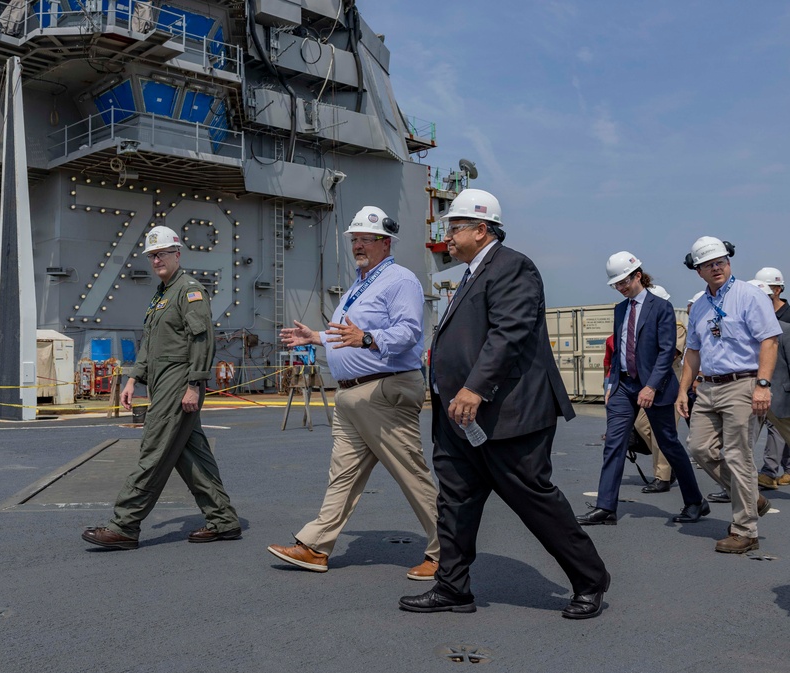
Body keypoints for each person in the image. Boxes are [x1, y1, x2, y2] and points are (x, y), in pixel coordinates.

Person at [399, 189, 609, 620]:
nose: (448, 238)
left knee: (533, 499)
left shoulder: (513, 267)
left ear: (482, 230)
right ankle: (453, 587)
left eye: (454, 229)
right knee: (455, 500)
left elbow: (509, 333)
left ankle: (590, 579)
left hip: (506, 413)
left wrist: (474, 387)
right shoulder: (471, 274)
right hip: (459, 418)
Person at [267, 206, 440, 581]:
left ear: (385, 242)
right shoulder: (359, 284)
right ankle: (315, 547)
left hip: (383, 391)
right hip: (351, 396)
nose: (358, 245)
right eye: (355, 239)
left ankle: (448, 551)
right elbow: (347, 333)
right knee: (341, 476)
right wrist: (316, 337)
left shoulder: (399, 280)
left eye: (366, 238)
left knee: (412, 474)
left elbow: (409, 331)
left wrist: (367, 337)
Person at [82, 226, 241, 549]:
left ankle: (125, 525)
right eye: (152, 256)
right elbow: (150, 344)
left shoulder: (189, 291)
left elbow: (202, 339)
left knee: (154, 450)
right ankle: (224, 520)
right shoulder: (162, 294)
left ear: (177, 254)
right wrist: (132, 379)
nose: (157, 260)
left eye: (162, 254)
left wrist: (195, 384)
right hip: (161, 381)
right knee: (190, 453)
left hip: (179, 381)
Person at [577, 257, 707, 526]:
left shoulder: (661, 308)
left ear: (637, 275)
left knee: (669, 444)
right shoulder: (619, 310)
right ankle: (606, 507)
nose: (620, 287)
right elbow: (618, 352)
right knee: (613, 444)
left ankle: (695, 501)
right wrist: (610, 384)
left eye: (623, 281)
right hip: (624, 385)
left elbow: (666, 352)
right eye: (615, 284)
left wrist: (651, 386)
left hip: (656, 387)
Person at [677, 236, 782, 554]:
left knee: (739, 456)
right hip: (707, 387)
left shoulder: (750, 296)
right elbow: (692, 351)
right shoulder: (700, 305)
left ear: (729, 261)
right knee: (699, 447)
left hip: (742, 384)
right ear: (699, 271)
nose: (716, 267)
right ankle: (753, 498)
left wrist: (763, 385)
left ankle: (745, 530)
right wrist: (683, 390)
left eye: (720, 261)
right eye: (708, 264)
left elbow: (769, 341)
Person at [632, 284, 686, 494]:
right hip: (649, 384)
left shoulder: (676, 325)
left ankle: (662, 476)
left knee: (662, 431)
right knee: (642, 425)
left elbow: (671, 353)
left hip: (668, 384)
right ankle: (669, 464)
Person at [752, 268, 790, 489]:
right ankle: (765, 474)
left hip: (780, 391)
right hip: (757, 388)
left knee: (779, 430)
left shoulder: (786, 323)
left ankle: (772, 471)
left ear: (778, 289)